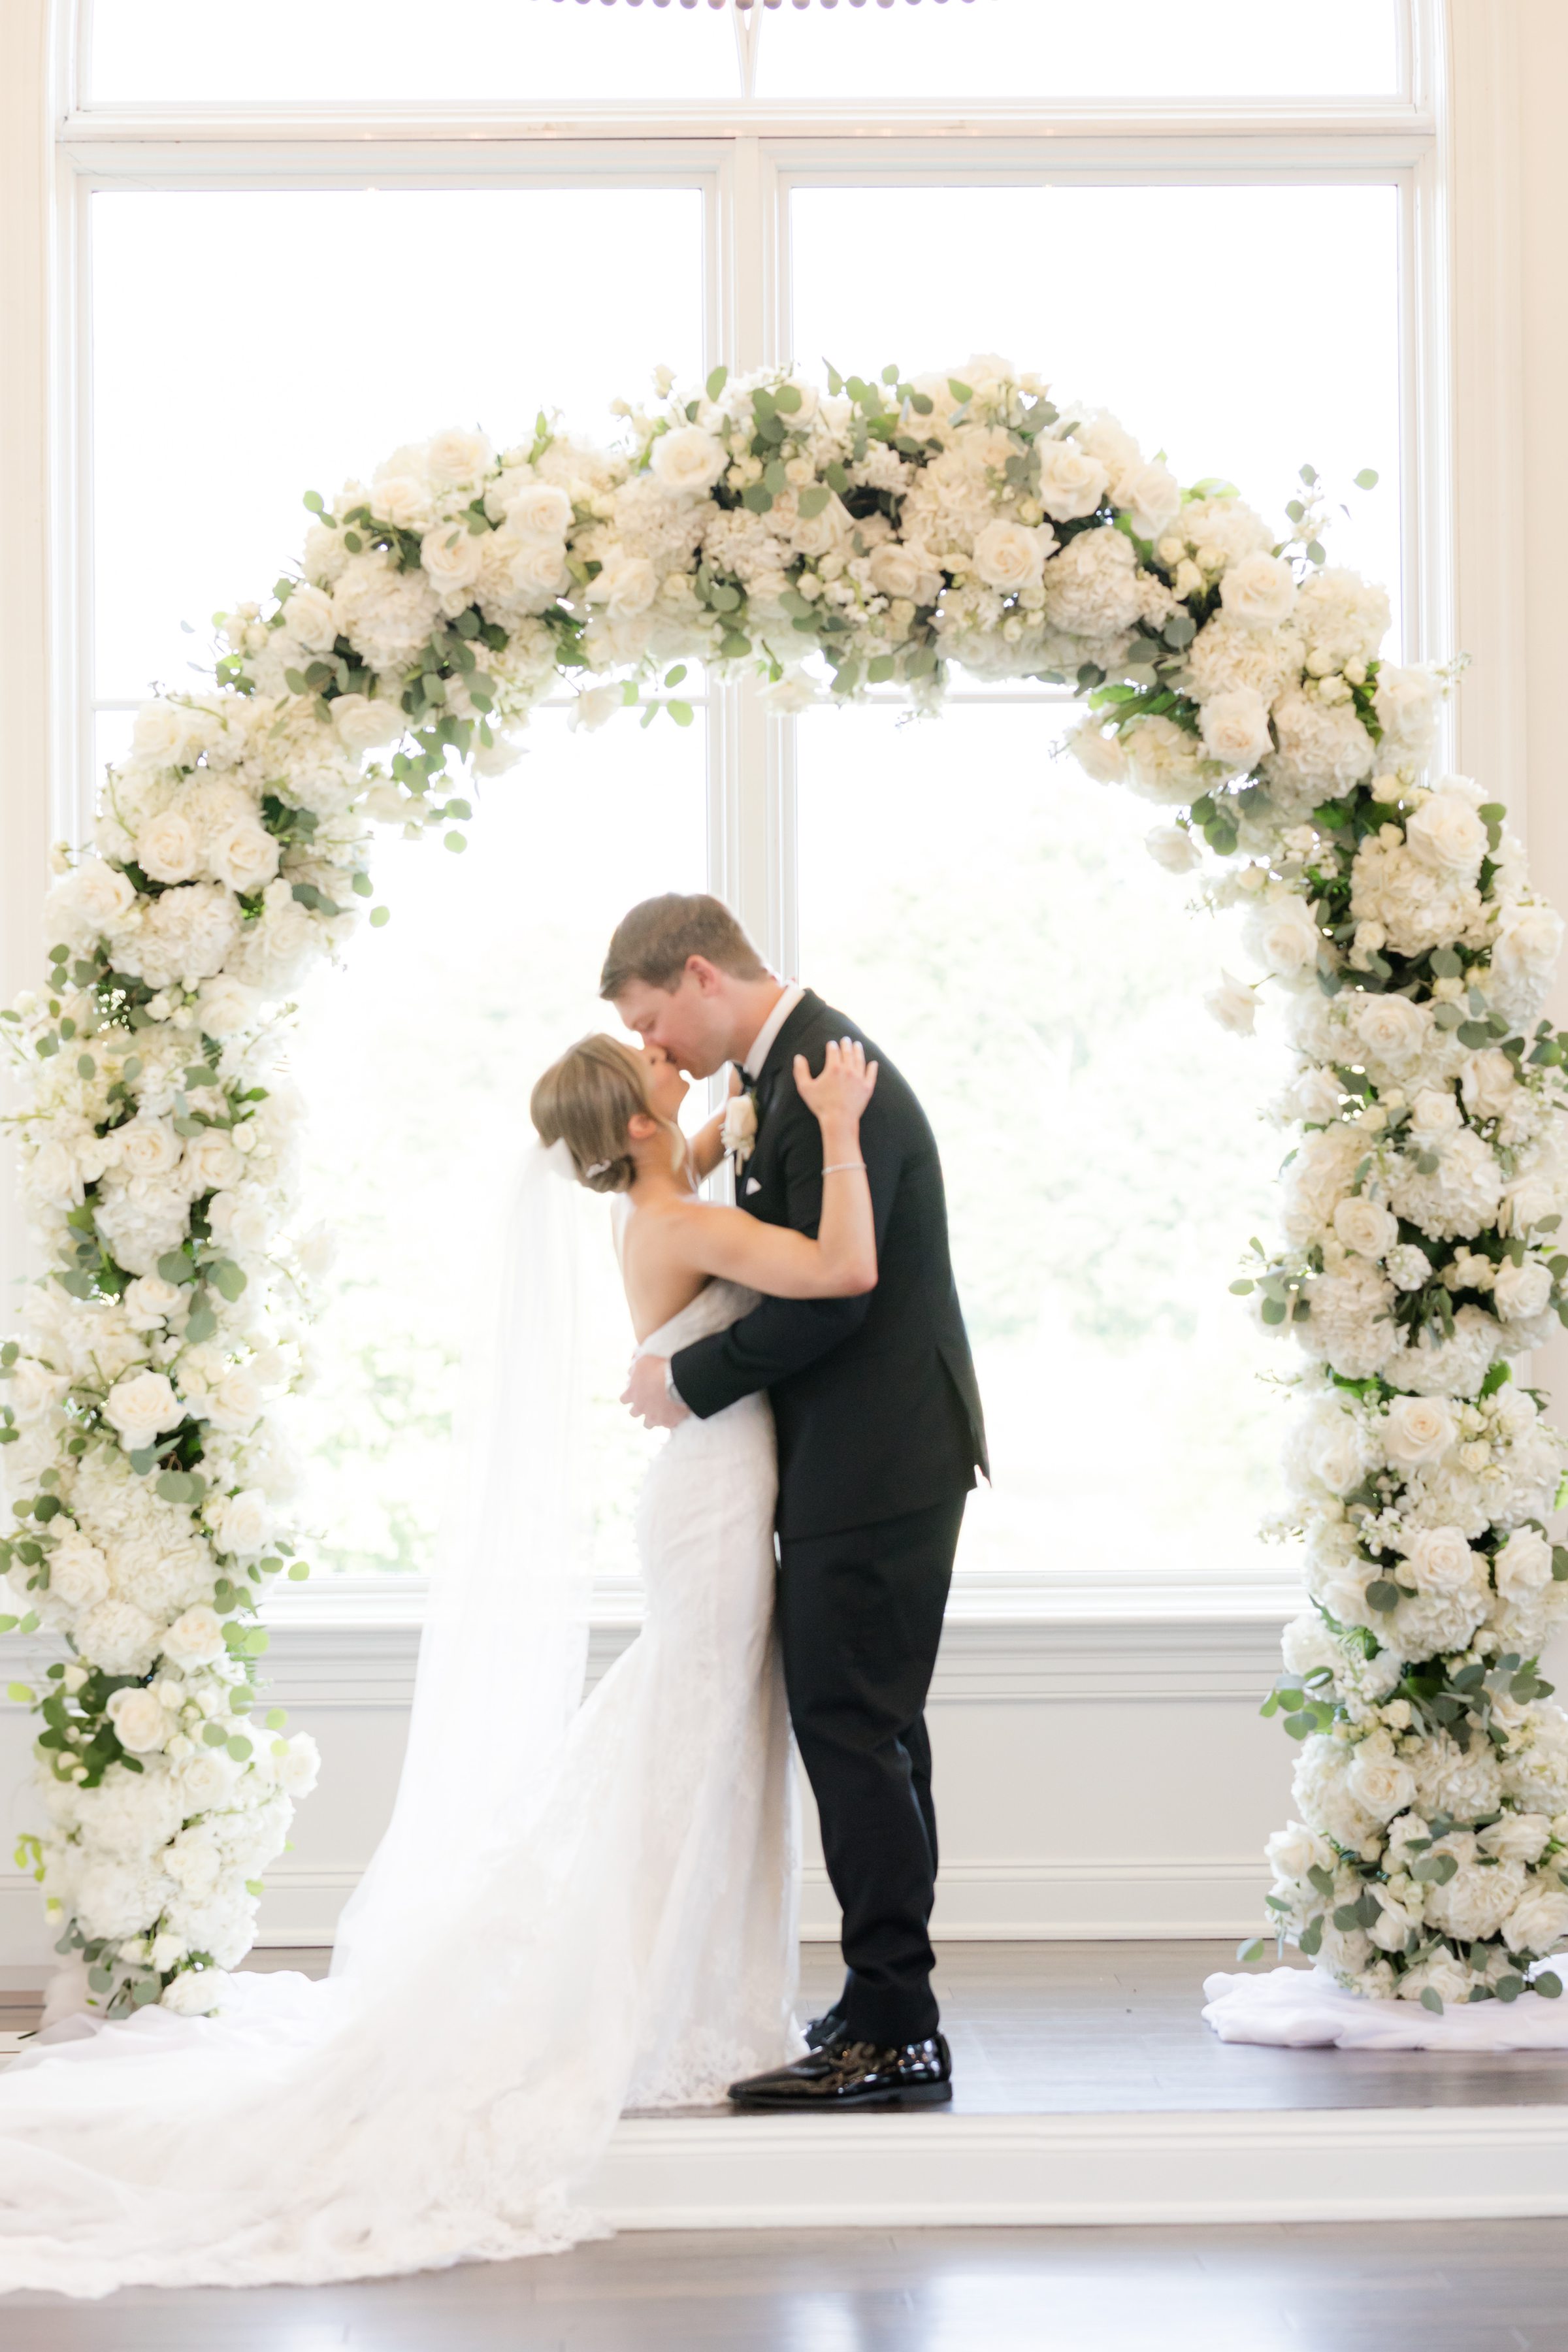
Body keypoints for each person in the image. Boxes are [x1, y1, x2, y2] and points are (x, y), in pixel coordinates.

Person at [0, 1019, 883, 2294]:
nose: (669, 1068)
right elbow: (840, 1265)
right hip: (712, 1510)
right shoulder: (680, 1224)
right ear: (632, 1127)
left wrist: (732, 1091)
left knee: (691, 1737)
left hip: (715, 1490)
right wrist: (842, 1132)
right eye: (653, 1076)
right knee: (692, 1741)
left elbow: (696, 1138)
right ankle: (660, 2007)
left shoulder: (664, 1189)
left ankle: (679, 1992)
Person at [608, 892, 988, 2111]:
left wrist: (690, 1378)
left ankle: (894, 2030)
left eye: (654, 1017)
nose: (657, 1048)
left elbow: (836, 1293)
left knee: (852, 1729)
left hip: (881, 1458)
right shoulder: (773, 1082)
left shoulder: (827, 1067)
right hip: (849, 1458)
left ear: (702, 974)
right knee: (870, 1728)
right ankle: (886, 2002)